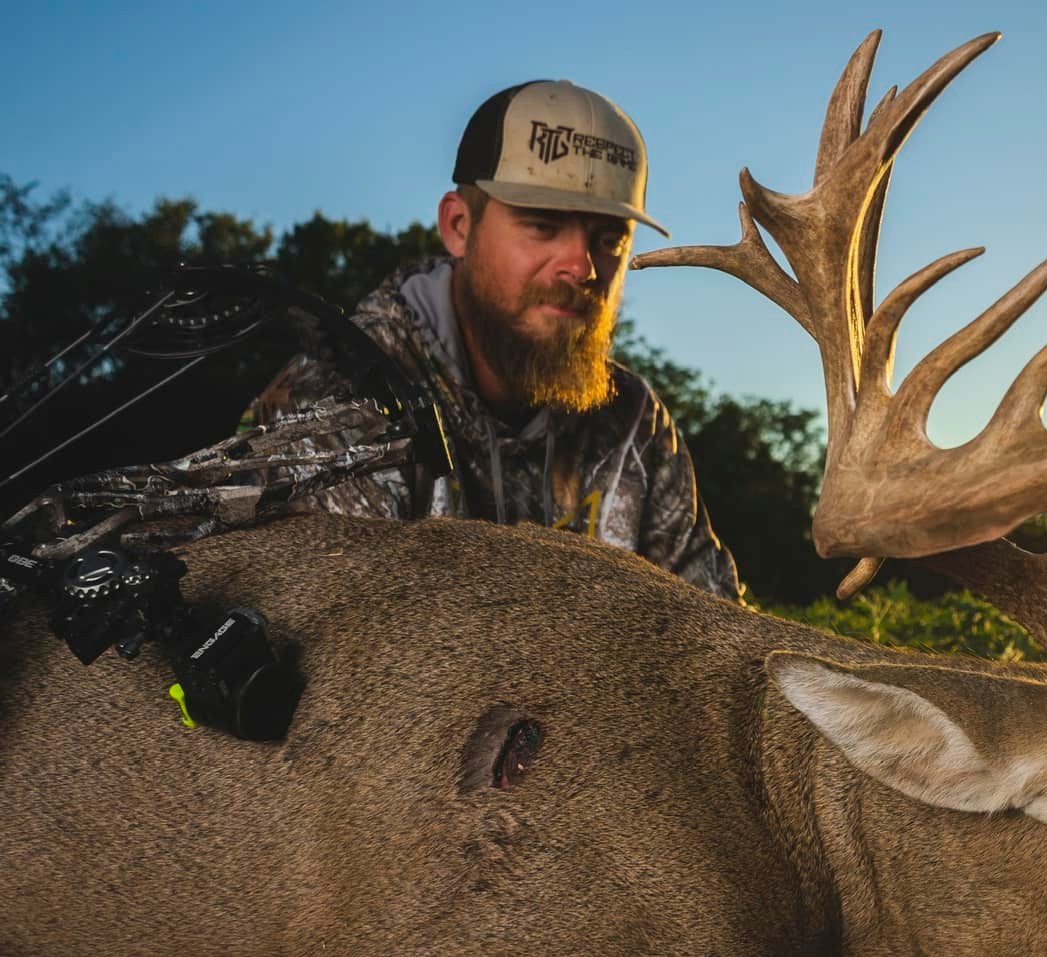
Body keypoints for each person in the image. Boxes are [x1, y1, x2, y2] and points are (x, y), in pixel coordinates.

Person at [247, 79, 738, 598]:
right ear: (459, 226)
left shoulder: (635, 421)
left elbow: (714, 626)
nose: (582, 265)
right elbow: (345, 659)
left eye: (609, 238)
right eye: (543, 226)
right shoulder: (336, 402)